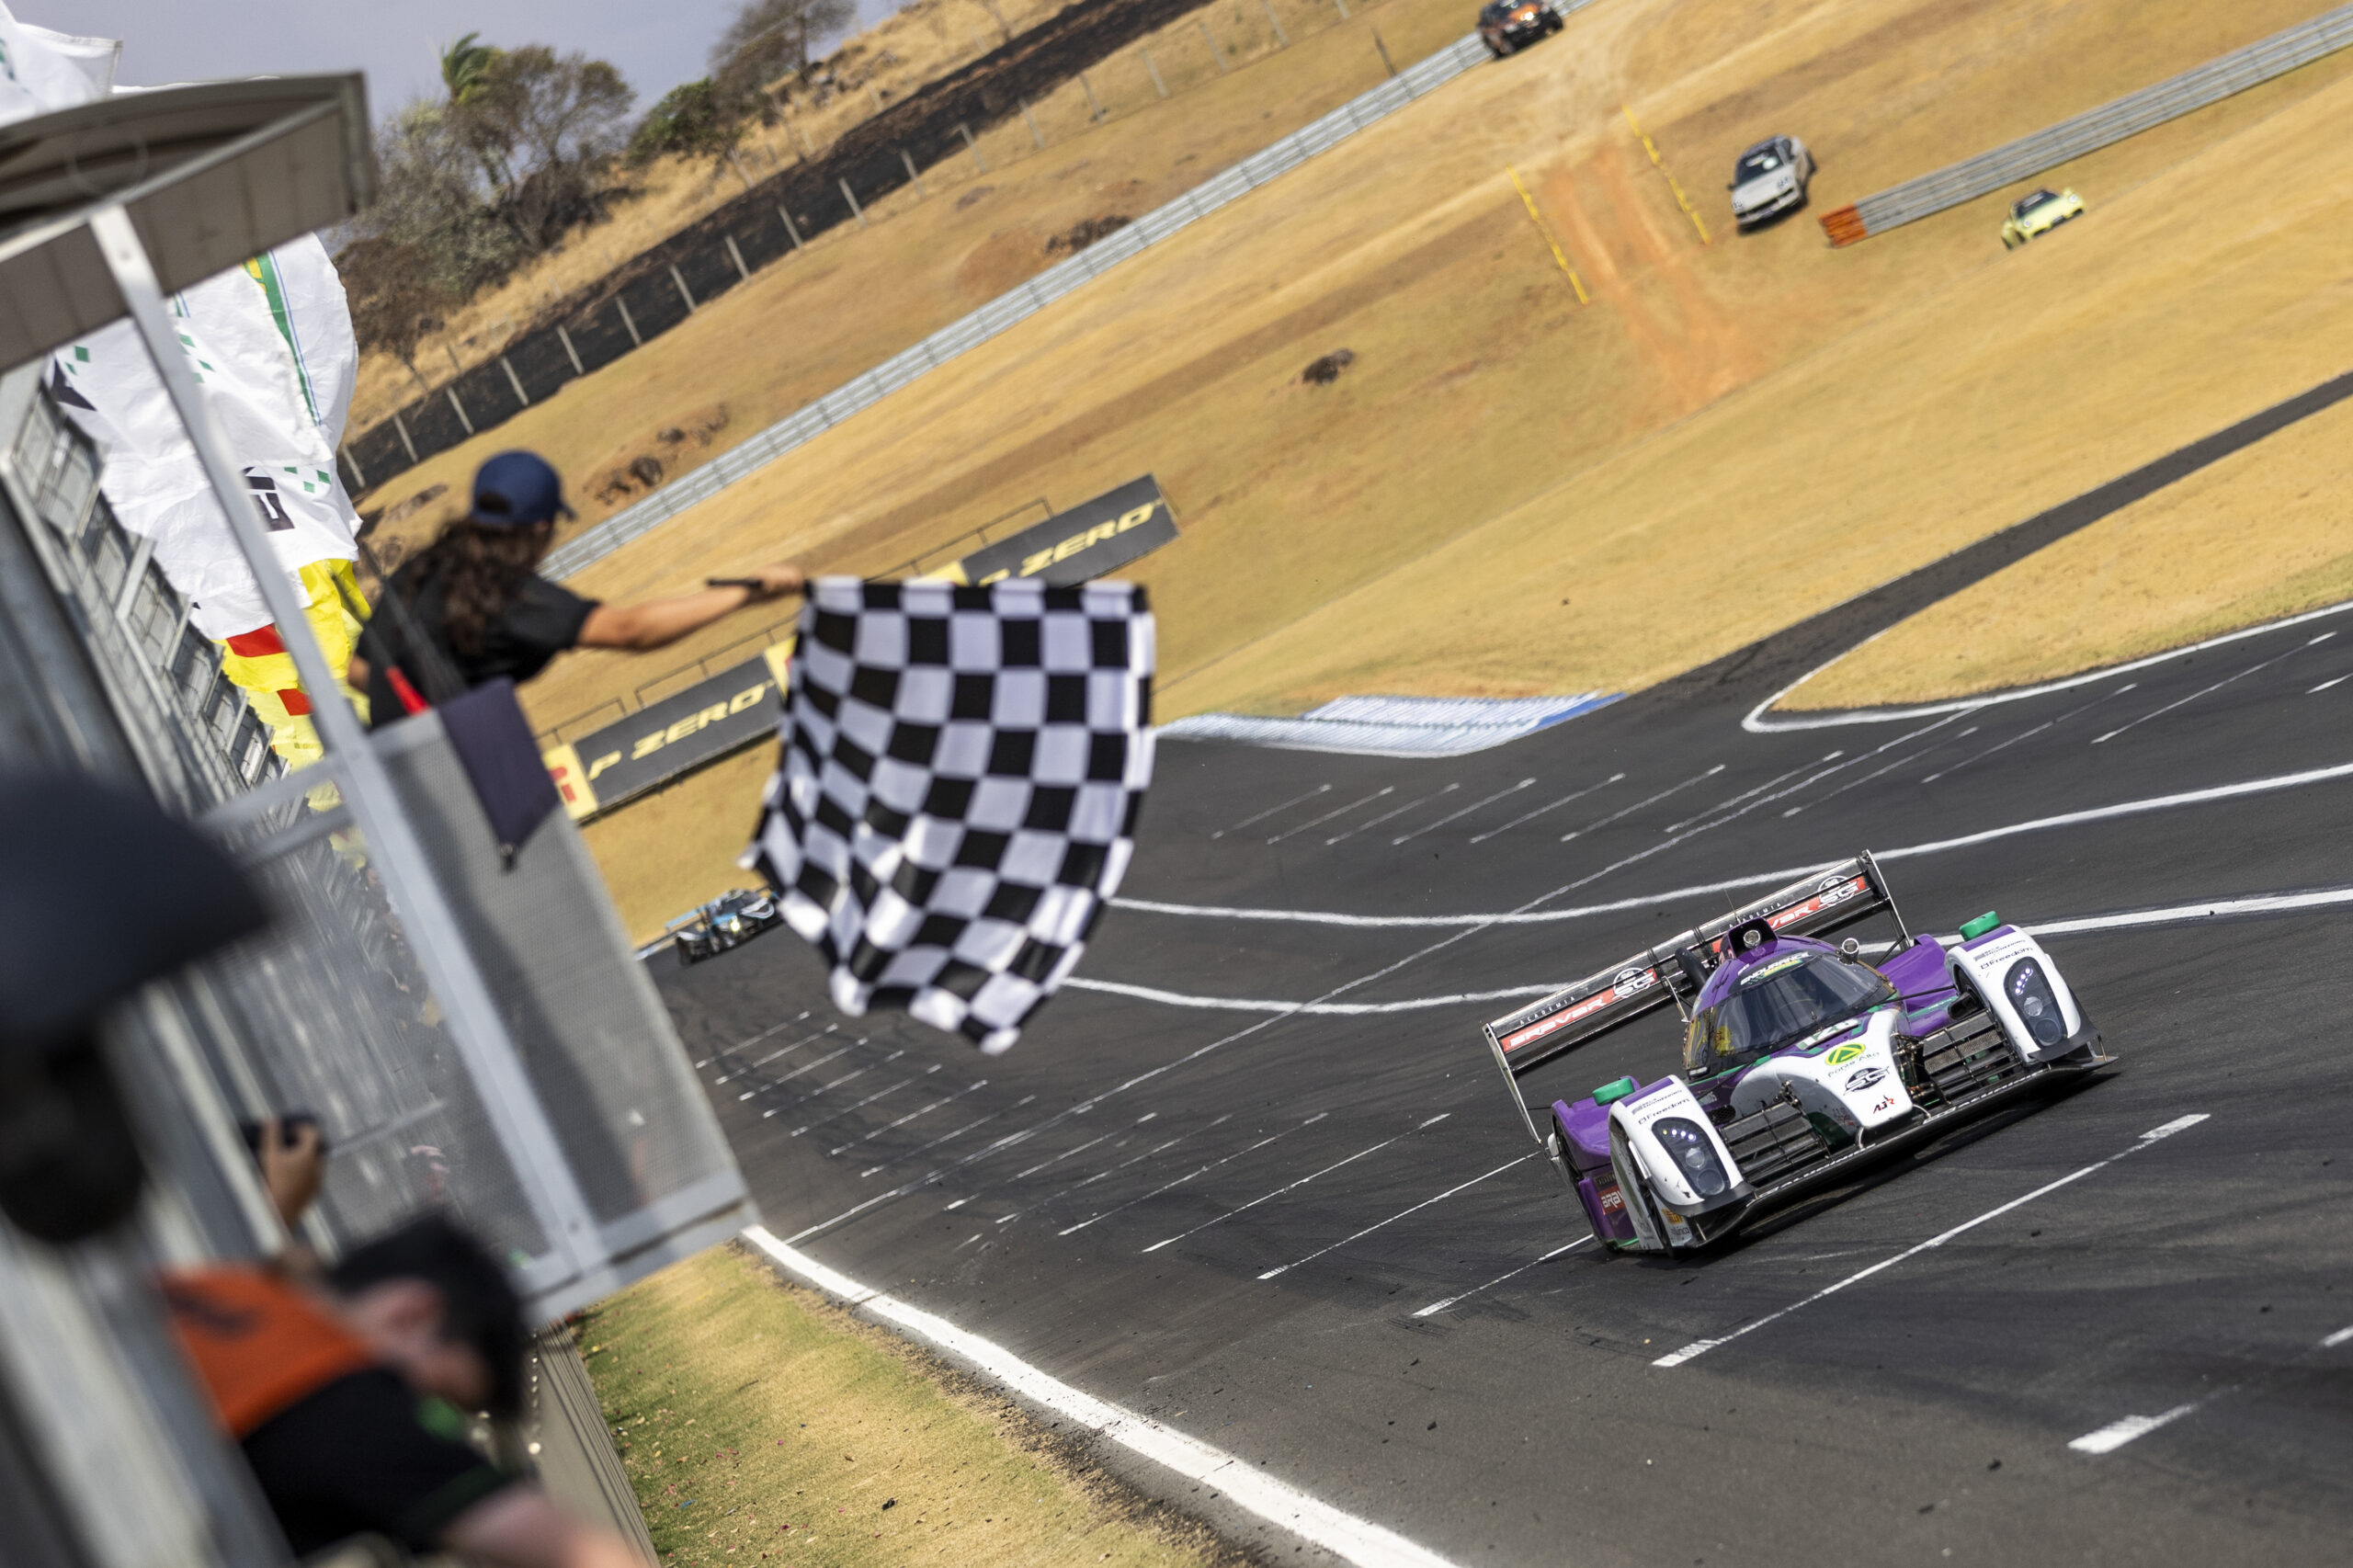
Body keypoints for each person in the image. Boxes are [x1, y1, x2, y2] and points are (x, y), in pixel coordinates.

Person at [164, 1212, 648, 1568]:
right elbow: (575, 1553)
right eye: (435, 1395)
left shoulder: (232, 1288)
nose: (423, 1414)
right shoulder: (338, 1392)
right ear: (411, 1313)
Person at [347, 449, 802, 721]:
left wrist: (413, 710)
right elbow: (630, 631)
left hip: (397, 780)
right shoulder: (507, 596)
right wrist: (746, 593)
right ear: (540, 528)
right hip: (464, 792)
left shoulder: (422, 570)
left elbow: (360, 670)